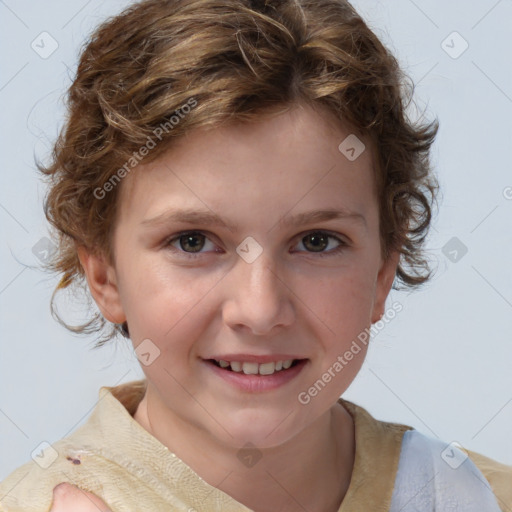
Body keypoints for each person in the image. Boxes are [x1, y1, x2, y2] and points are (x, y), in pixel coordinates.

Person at [1, 0, 511, 511]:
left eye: (316, 241)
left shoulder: (480, 496)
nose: (260, 309)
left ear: (382, 272)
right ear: (104, 275)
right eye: (193, 241)